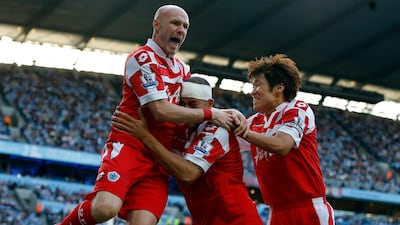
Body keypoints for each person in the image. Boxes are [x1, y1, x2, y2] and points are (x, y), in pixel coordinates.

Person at [57, 5, 242, 225]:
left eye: (185, 26)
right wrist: (212, 113)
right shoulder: (142, 57)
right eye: (175, 23)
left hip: (159, 156)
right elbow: (160, 110)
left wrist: (227, 112)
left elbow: (195, 107)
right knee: (106, 208)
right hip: (130, 145)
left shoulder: (183, 69)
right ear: (157, 25)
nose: (180, 30)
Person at [111, 77, 263, 225]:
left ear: (209, 104)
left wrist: (145, 136)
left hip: (237, 220)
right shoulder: (180, 128)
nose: (186, 110)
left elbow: (188, 174)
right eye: (181, 104)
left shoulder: (217, 129)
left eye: (192, 104)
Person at [237, 54, 335, 225]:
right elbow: (224, 138)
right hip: (277, 212)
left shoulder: (298, 110)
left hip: (309, 210)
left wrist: (244, 132)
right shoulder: (256, 122)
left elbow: (282, 145)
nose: (252, 92)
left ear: (279, 88)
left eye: (258, 85)